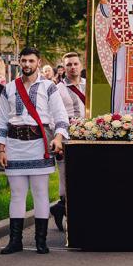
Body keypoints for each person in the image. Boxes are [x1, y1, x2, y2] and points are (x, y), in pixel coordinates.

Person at [0, 47, 68, 255]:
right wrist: (0, 149)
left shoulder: (48, 87)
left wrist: (59, 138)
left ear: (38, 62)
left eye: (31, 61)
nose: (26, 65)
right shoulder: (8, 88)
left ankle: (40, 241)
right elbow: (0, 119)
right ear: (19, 62)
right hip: (14, 144)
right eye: (23, 61)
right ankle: (15, 241)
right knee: (17, 194)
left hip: (38, 145)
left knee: (41, 194)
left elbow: (60, 115)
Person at [52, 52, 86, 231]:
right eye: (69, 65)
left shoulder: (88, 86)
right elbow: (53, 116)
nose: (73, 67)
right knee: (65, 177)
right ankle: (62, 208)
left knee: (83, 175)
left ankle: (75, 215)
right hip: (66, 137)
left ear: (80, 65)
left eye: (75, 64)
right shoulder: (57, 89)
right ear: (64, 68)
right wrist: (57, 140)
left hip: (86, 136)